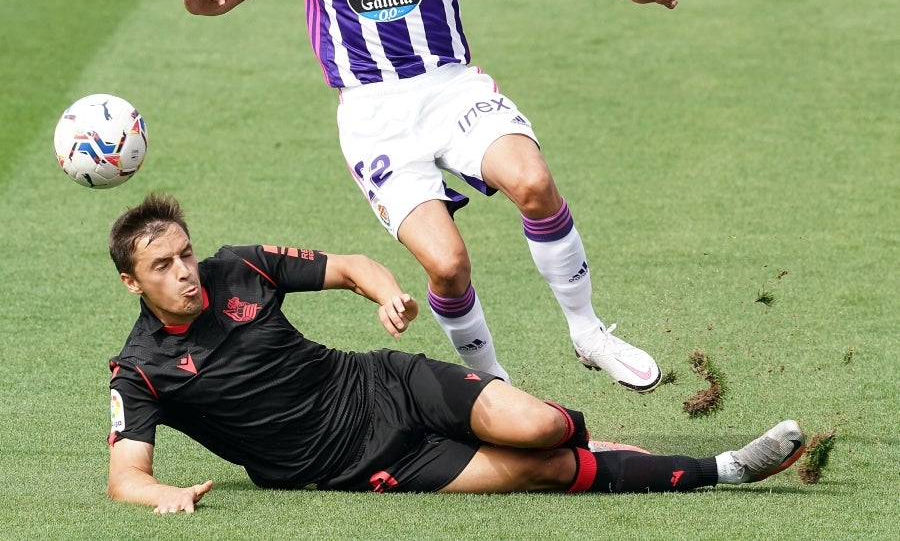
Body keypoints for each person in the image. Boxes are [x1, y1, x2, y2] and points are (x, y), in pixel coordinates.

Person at [181, 0, 681, 391]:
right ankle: (495, 390)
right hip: (372, 115)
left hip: (449, 86)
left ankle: (589, 331)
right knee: (446, 265)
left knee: (534, 182)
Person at [107, 193, 805, 512]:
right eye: (163, 265)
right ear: (131, 282)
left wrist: (384, 294)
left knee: (544, 428)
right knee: (548, 471)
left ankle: (618, 446)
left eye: (184, 253)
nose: (185, 270)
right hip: (367, 462)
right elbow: (125, 476)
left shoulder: (239, 268)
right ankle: (729, 468)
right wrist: (162, 494)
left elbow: (350, 264)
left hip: (387, 382)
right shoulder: (140, 371)